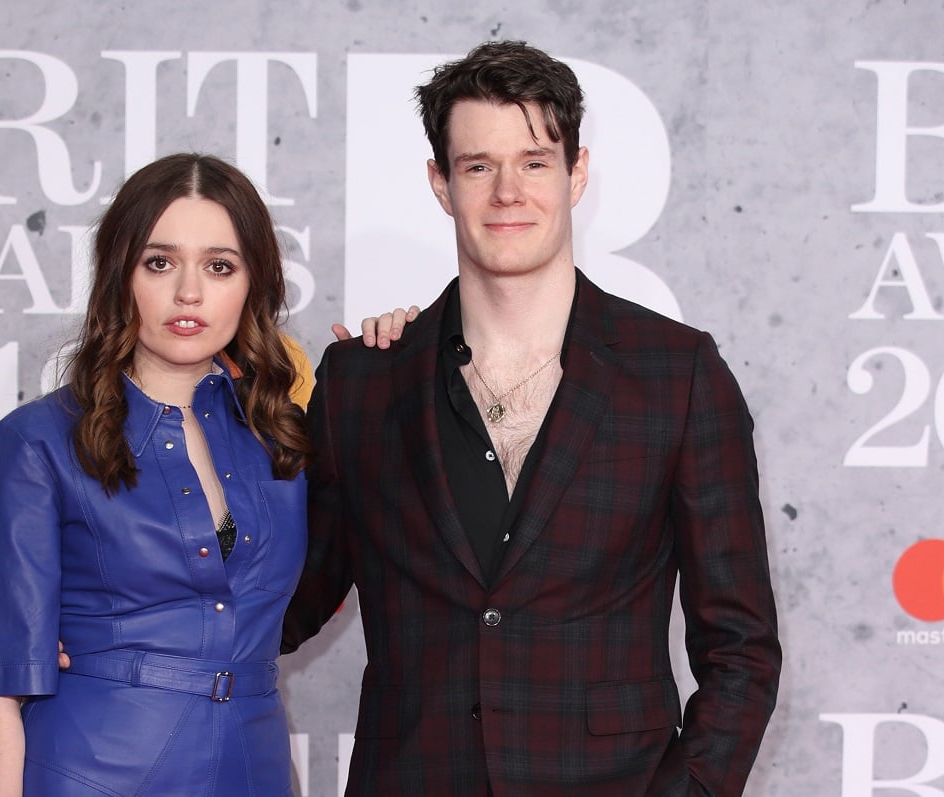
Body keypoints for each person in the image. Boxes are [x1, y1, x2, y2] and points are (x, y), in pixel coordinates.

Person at [281, 41, 781, 796]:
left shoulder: (677, 375)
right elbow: (283, 600)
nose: (508, 191)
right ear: (441, 184)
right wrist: (91, 616)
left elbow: (741, 648)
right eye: (479, 165)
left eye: (535, 161)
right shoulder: (363, 382)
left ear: (577, 173)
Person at [0, 152, 405, 796]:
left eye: (219, 266)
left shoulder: (281, 440)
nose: (188, 292)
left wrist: (405, 356)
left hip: (255, 770)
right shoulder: (37, 444)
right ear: (120, 274)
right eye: (159, 263)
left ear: (255, 284)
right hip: (93, 772)